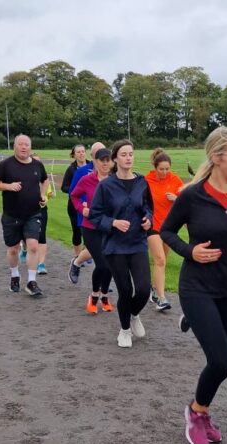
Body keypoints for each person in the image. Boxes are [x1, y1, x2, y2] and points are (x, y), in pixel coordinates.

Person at [160, 126, 227, 444]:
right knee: (222, 361)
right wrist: (190, 251)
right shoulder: (193, 195)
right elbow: (166, 232)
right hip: (197, 287)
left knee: (220, 362)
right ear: (217, 157)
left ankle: (203, 412)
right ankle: (194, 412)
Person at [88, 140, 153, 348]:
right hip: (115, 246)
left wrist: (148, 219)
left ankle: (133, 315)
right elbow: (95, 215)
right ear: (115, 158)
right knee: (125, 290)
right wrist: (113, 222)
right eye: (124, 154)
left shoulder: (142, 182)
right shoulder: (106, 185)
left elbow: (148, 208)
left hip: (137, 243)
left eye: (131, 154)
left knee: (143, 290)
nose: (128, 158)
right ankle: (124, 331)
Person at [0, 134, 48, 296]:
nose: (23, 147)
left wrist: (43, 196)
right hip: (11, 215)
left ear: (30, 147)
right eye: (20, 144)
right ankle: (15, 276)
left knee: (33, 246)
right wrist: (8, 186)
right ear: (15, 146)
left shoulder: (37, 165)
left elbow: (45, 180)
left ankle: (32, 282)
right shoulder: (6, 165)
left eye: (26, 145)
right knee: (13, 249)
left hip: (33, 214)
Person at [70, 148, 115, 314]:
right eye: (101, 160)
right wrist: (82, 210)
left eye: (107, 160)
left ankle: (104, 296)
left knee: (110, 264)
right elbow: (74, 196)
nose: (105, 163)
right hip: (90, 228)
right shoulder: (87, 180)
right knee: (102, 263)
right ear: (95, 162)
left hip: (110, 227)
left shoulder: (115, 181)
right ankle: (94, 295)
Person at [144, 147, 183, 311]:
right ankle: (161, 299)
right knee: (159, 259)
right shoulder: (146, 180)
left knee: (162, 262)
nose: (165, 172)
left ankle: (154, 289)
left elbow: (186, 201)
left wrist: (177, 198)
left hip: (169, 228)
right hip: (152, 226)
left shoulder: (175, 180)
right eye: (161, 169)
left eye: (167, 169)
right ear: (155, 167)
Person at [67, 142, 106, 283]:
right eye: (98, 154)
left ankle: (102, 281)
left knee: (103, 252)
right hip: (88, 218)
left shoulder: (112, 173)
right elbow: (73, 193)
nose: (102, 157)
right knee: (98, 252)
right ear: (92, 156)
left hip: (107, 220)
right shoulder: (82, 171)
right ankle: (101, 283)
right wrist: (82, 208)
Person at [61, 144, 88, 260]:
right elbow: (64, 187)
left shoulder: (93, 166)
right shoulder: (71, 169)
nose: (81, 154)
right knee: (77, 232)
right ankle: (77, 256)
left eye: (83, 151)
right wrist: (76, 189)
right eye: (78, 152)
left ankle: (87, 254)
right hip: (75, 206)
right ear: (74, 155)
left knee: (89, 231)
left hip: (91, 204)